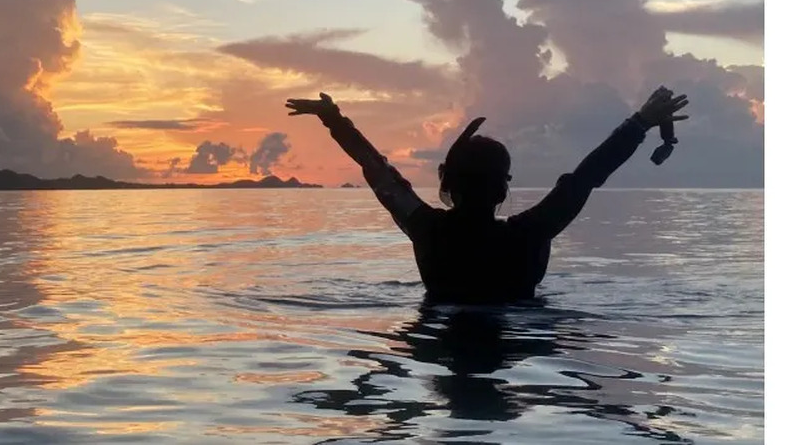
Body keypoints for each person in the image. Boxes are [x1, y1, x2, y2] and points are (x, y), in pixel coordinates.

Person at [285, 87, 689, 304]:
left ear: (447, 185)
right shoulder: (530, 233)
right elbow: (586, 177)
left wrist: (334, 120)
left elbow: (378, 172)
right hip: (520, 341)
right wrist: (639, 123)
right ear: (502, 188)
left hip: (437, 340)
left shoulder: (427, 230)